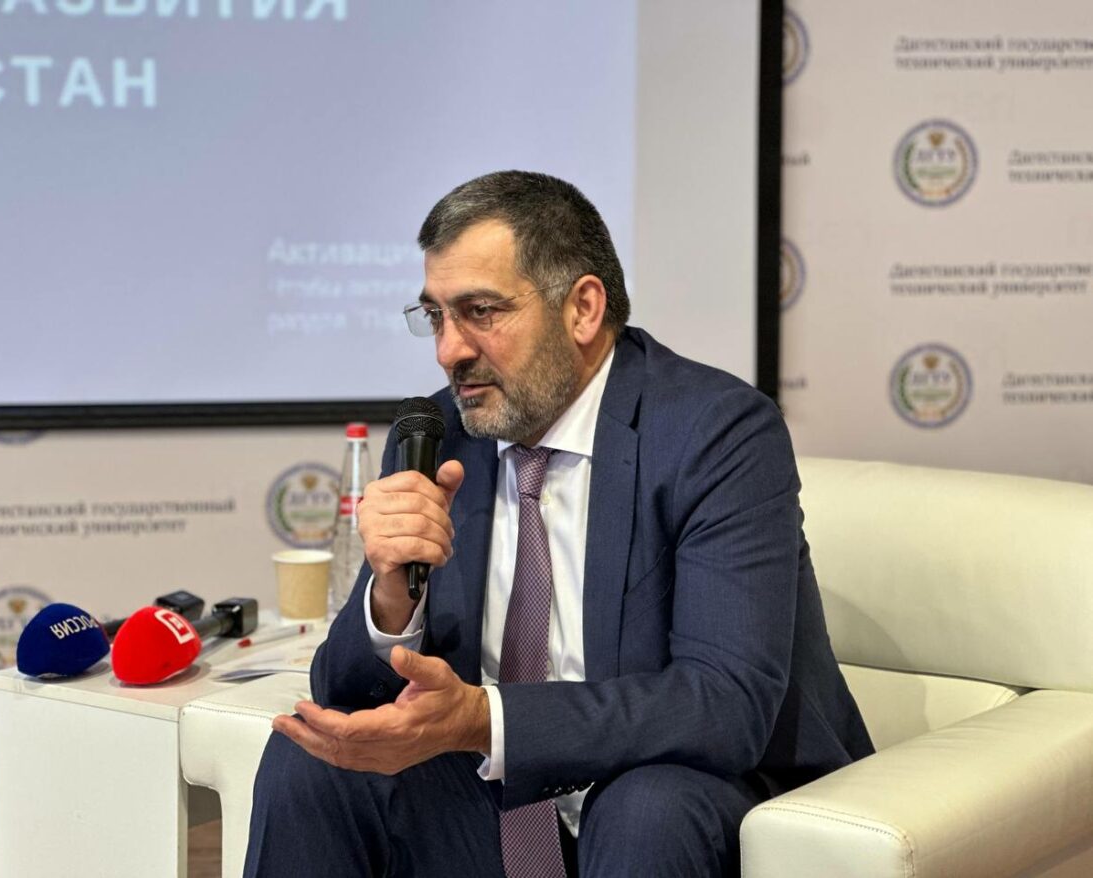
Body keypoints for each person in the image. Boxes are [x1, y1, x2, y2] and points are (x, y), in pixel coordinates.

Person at [243, 170, 872, 878]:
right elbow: (345, 694)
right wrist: (392, 593)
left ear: (582, 308)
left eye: (481, 311)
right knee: (311, 760)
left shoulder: (715, 433)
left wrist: (486, 720)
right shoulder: (437, 438)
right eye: (436, 317)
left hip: (685, 800)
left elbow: (726, 704)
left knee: (646, 808)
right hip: (498, 807)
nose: (449, 351)